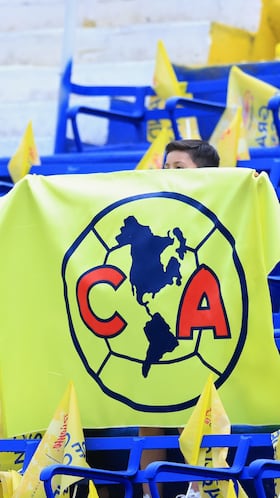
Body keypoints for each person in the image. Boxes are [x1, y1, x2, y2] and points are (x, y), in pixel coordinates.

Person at [139, 138, 220, 498]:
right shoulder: (152, 219)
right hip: (163, 328)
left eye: (179, 168)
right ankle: (147, 491)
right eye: (166, 167)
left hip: (207, 333)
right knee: (145, 401)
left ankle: (200, 488)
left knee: (202, 402)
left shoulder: (223, 216)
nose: (169, 175)